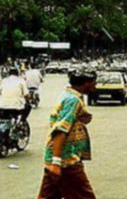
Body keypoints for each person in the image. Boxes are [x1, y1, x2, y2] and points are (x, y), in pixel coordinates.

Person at [37, 68, 97, 199]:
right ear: (86, 82)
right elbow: (61, 130)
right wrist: (56, 162)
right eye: (94, 82)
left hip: (59, 158)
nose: (95, 85)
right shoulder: (73, 100)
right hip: (66, 160)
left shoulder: (69, 95)